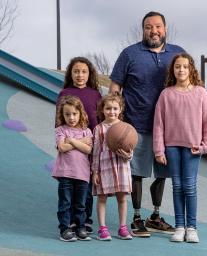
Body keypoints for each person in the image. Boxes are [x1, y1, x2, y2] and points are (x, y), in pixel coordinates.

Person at [109, 11, 185, 237]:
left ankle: (155, 216)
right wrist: (116, 121)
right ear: (143, 30)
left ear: (165, 29)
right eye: (148, 27)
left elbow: (188, 83)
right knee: (137, 173)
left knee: (163, 173)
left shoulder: (178, 53)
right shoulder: (129, 54)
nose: (153, 31)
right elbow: (114, 89)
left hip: (169, 128)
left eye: (158, 27)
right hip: (136, 125)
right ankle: (136, 218)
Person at [153, 53, 207, 243]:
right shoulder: (166, 94)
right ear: (173, 70)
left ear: (191, 69)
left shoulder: (200, 93)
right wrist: (159, 151)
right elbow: (159, 124)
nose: (181, 70)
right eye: (178, 66)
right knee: (177, 186)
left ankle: (192, 228)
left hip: (193, 147)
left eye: (185, 67)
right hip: (171, 146)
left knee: (190, 186)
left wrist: (205, 146)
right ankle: (179, 227)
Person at [55, 57, 103, 234]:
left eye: (84, 71)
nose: (80, 75)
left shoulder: (96, 94)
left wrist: (92, 144)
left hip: (89, 144)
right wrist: (70, 142)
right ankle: (71, 222)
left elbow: (98, 121)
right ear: (70, 73)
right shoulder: (64, 94)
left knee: (86, 186)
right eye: (76, 71)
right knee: (70, 187)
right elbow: (59, 123)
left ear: (89, 74)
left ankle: (85, 220)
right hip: (70, 148)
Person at [90, 94, 133, 241]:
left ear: (120, 109)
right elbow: (95, 152)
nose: (111, 111)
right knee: (102, 198)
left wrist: (128, 156)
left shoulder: (125, 128)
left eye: (115, 108)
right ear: (102, 109)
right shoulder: (98, 129)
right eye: (108, 108)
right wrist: (94, 171)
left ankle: (122, 228)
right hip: (105, 168)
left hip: (121, 167)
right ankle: (102, 229)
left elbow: (130, 149)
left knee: (122, 198)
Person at [53, 96, 94, 242]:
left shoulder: (87, 132)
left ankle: (80, 229)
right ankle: (65, 230)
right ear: (62, 115)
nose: (71, 117)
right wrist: (78, 142)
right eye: (67, 114)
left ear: (80, 114)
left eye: (74, 114)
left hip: (82, 174)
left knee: (80, 204)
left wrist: (73, 140)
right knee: (64, 203)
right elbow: (62, 147)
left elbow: (88, 149)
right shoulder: (60, 130)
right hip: (65, 173)